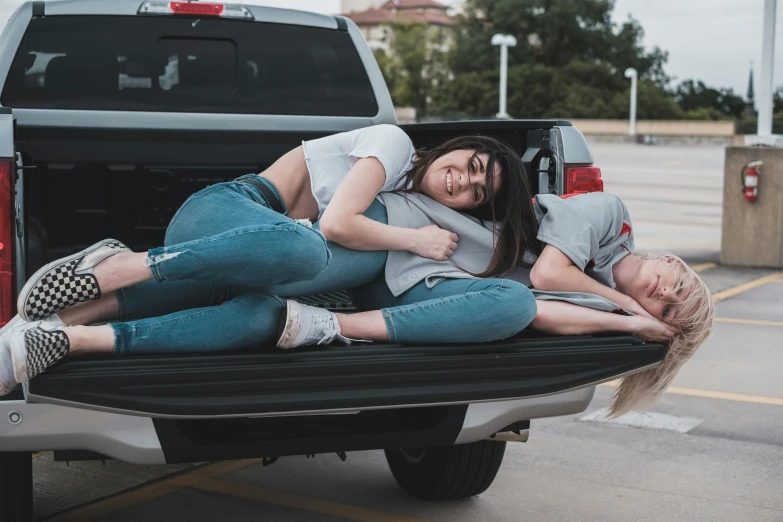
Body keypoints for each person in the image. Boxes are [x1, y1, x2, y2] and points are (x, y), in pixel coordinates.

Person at [0, 125, 540, 395]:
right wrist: (416, 242)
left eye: (474, 191)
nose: (461, 181)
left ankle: (68, 335)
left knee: (265, 315)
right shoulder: (394, 143)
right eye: (469, 164)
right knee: (303, 245)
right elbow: (336, 225)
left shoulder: (414, 202)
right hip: (228, 211)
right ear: (455, 146)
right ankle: (115, 267)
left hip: (262, 262)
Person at [347, 190, 714, 417]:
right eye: (677, 287)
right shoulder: (612, 217)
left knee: (515, 303)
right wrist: (630, 307)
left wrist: (630, 324)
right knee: (298, 262)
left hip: (412, 285)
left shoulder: (606, 310)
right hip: (400, 230)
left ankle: (329, 323)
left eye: (667, 311)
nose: (665, 295)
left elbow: (536, 313)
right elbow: (547, 276)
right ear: (672, 262)